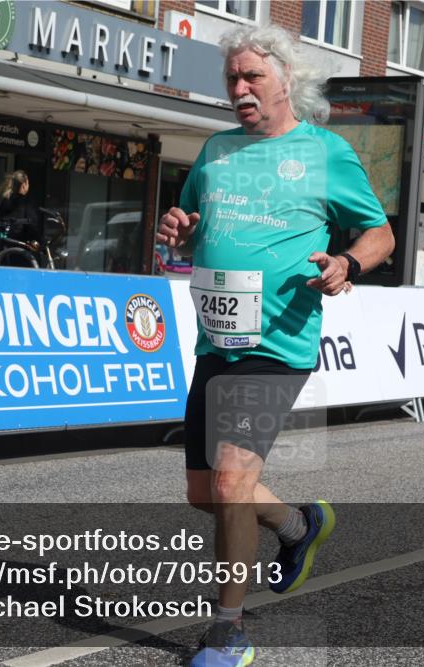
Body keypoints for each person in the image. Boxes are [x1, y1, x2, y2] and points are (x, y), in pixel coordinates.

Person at [156, 24, 394, 666]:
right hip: (218, 339)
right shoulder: (214, 151)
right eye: (232, 78)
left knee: (231, 481)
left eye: (252, 77)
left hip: (280, 339)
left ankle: (227, 630)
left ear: (287, 80)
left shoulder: (325, 153)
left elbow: (380, 233)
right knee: (205, 493)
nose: (239, 89)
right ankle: (298, 525)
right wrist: (176, 229)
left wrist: (347, 262)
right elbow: (187, 226)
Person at [0, 169, 40, 243]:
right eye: (28, 183)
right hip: (21, 247)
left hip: (5, 245)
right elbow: (32, 226)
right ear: (24, 185)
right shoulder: (25, 202)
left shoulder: (6, 200)